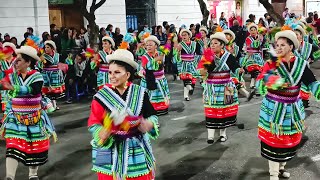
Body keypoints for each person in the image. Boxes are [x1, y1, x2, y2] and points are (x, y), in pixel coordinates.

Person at [256, 28, 320, 180]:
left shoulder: (301, 65)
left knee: (288, 142)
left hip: (292, 109)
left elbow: (312, 83)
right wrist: (273, 82)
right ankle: (273, 174)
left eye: (282, 45)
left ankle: (281, 168)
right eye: (277, 45)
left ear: (291, 46)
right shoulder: (271, 63)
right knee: (274, 141)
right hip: (273, 108)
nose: (278, 48)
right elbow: (261, 81)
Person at [87, 49, 159, 180]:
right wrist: (101, 132)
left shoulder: (140, 93)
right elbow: (94, 122)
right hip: (110, 148)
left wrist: (149, 124)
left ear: (127, 74)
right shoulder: (101, 96)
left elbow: (151, 115)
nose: (112, 76)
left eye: (117, 72)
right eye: (110, 72)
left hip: (134, 147)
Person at [0, 46, 56, 180]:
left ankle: (32, 174)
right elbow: (8, 95)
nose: (15, 62)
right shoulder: (13, 77)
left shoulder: (37, 76)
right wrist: (5, 117)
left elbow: (34, 90)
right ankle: (9, 176)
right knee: (13, 145)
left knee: (34, 146)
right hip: (15, 117)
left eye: (19, 60)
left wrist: (14, 88)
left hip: (34, 117)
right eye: (15, 60)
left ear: (28, 62)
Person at [198, 32, 241, 144]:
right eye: (211, 43)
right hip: (212, 87)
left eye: (215, 43)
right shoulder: (207, 57)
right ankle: (210, 136)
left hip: (226, 87)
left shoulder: (228, 57)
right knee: (211, 110)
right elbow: (201, 72)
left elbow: (235, 67)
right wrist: (203, 70)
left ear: (222, 45)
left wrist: (239, 70)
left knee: (224, 112)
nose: (212, 45)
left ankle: (223, 134)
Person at [140, 35, 170, 115]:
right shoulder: (144, 56)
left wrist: (169, 43)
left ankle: (159, 112)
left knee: (160, 99)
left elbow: (168, 51)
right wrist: (156, 59)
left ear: (156, 46)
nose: (148, 47)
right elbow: (146, 66)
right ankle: (152, 116)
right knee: (150, 99)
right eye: (147, 45)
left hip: (160, 79)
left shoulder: (160, 53)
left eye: (150, 45)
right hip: (150, 80)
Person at [293, 25, 320, 108]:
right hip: (295, 70)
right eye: (294, 34)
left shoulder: (308, 46)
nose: (295, 36)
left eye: (297, 34)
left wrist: (311, 59)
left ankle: (304, 100)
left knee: (312, 84)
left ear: (301, 35)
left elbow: (318, 51)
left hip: (305, 69)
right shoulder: (292, 46)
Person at [176, 28, 201, 101]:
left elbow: (198, 53)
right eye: (182, 35)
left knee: (192, 80)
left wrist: (197, 62)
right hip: (184, 64)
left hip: (192, 63)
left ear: (189, 36)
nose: (184, 36)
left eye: (185, 35)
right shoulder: (180, 45)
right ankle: (186, 96)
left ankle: (189, 90)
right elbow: (177, 57)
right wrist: (178, 51)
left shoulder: (194, 44)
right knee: (186, 79)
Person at [41, 40, 66, 110]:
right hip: (46, 74)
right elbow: (45, 63)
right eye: (45, 47)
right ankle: (50, 105)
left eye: (48, 47)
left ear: (52, 48)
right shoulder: (43, 56)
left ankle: (54, 104)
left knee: (54, 91)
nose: (46, 49)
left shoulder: (57, 55)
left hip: (55, 74)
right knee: (48, 91)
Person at [240, 23, 264, 92]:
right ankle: (252, 83)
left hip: (258, 56)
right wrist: (258, 40)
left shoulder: (259, 37)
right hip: (250, 56)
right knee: (253, 70)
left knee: (258, 71)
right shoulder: (248, 39)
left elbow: (261, 45)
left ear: (257, 30)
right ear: (249, 31)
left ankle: (254, 83)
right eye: (251, 30)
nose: (253, 31)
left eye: (254, 30)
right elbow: (253, 45)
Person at [0, 42, 16, 112]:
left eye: (7, 51)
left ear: (12, 51)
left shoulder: (17, 60)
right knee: (5, 102)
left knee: (15, 101)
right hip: (5, 83)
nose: (5, 53)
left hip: (15, 82)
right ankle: (5, 118)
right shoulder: (1, 61)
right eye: (4, 51)